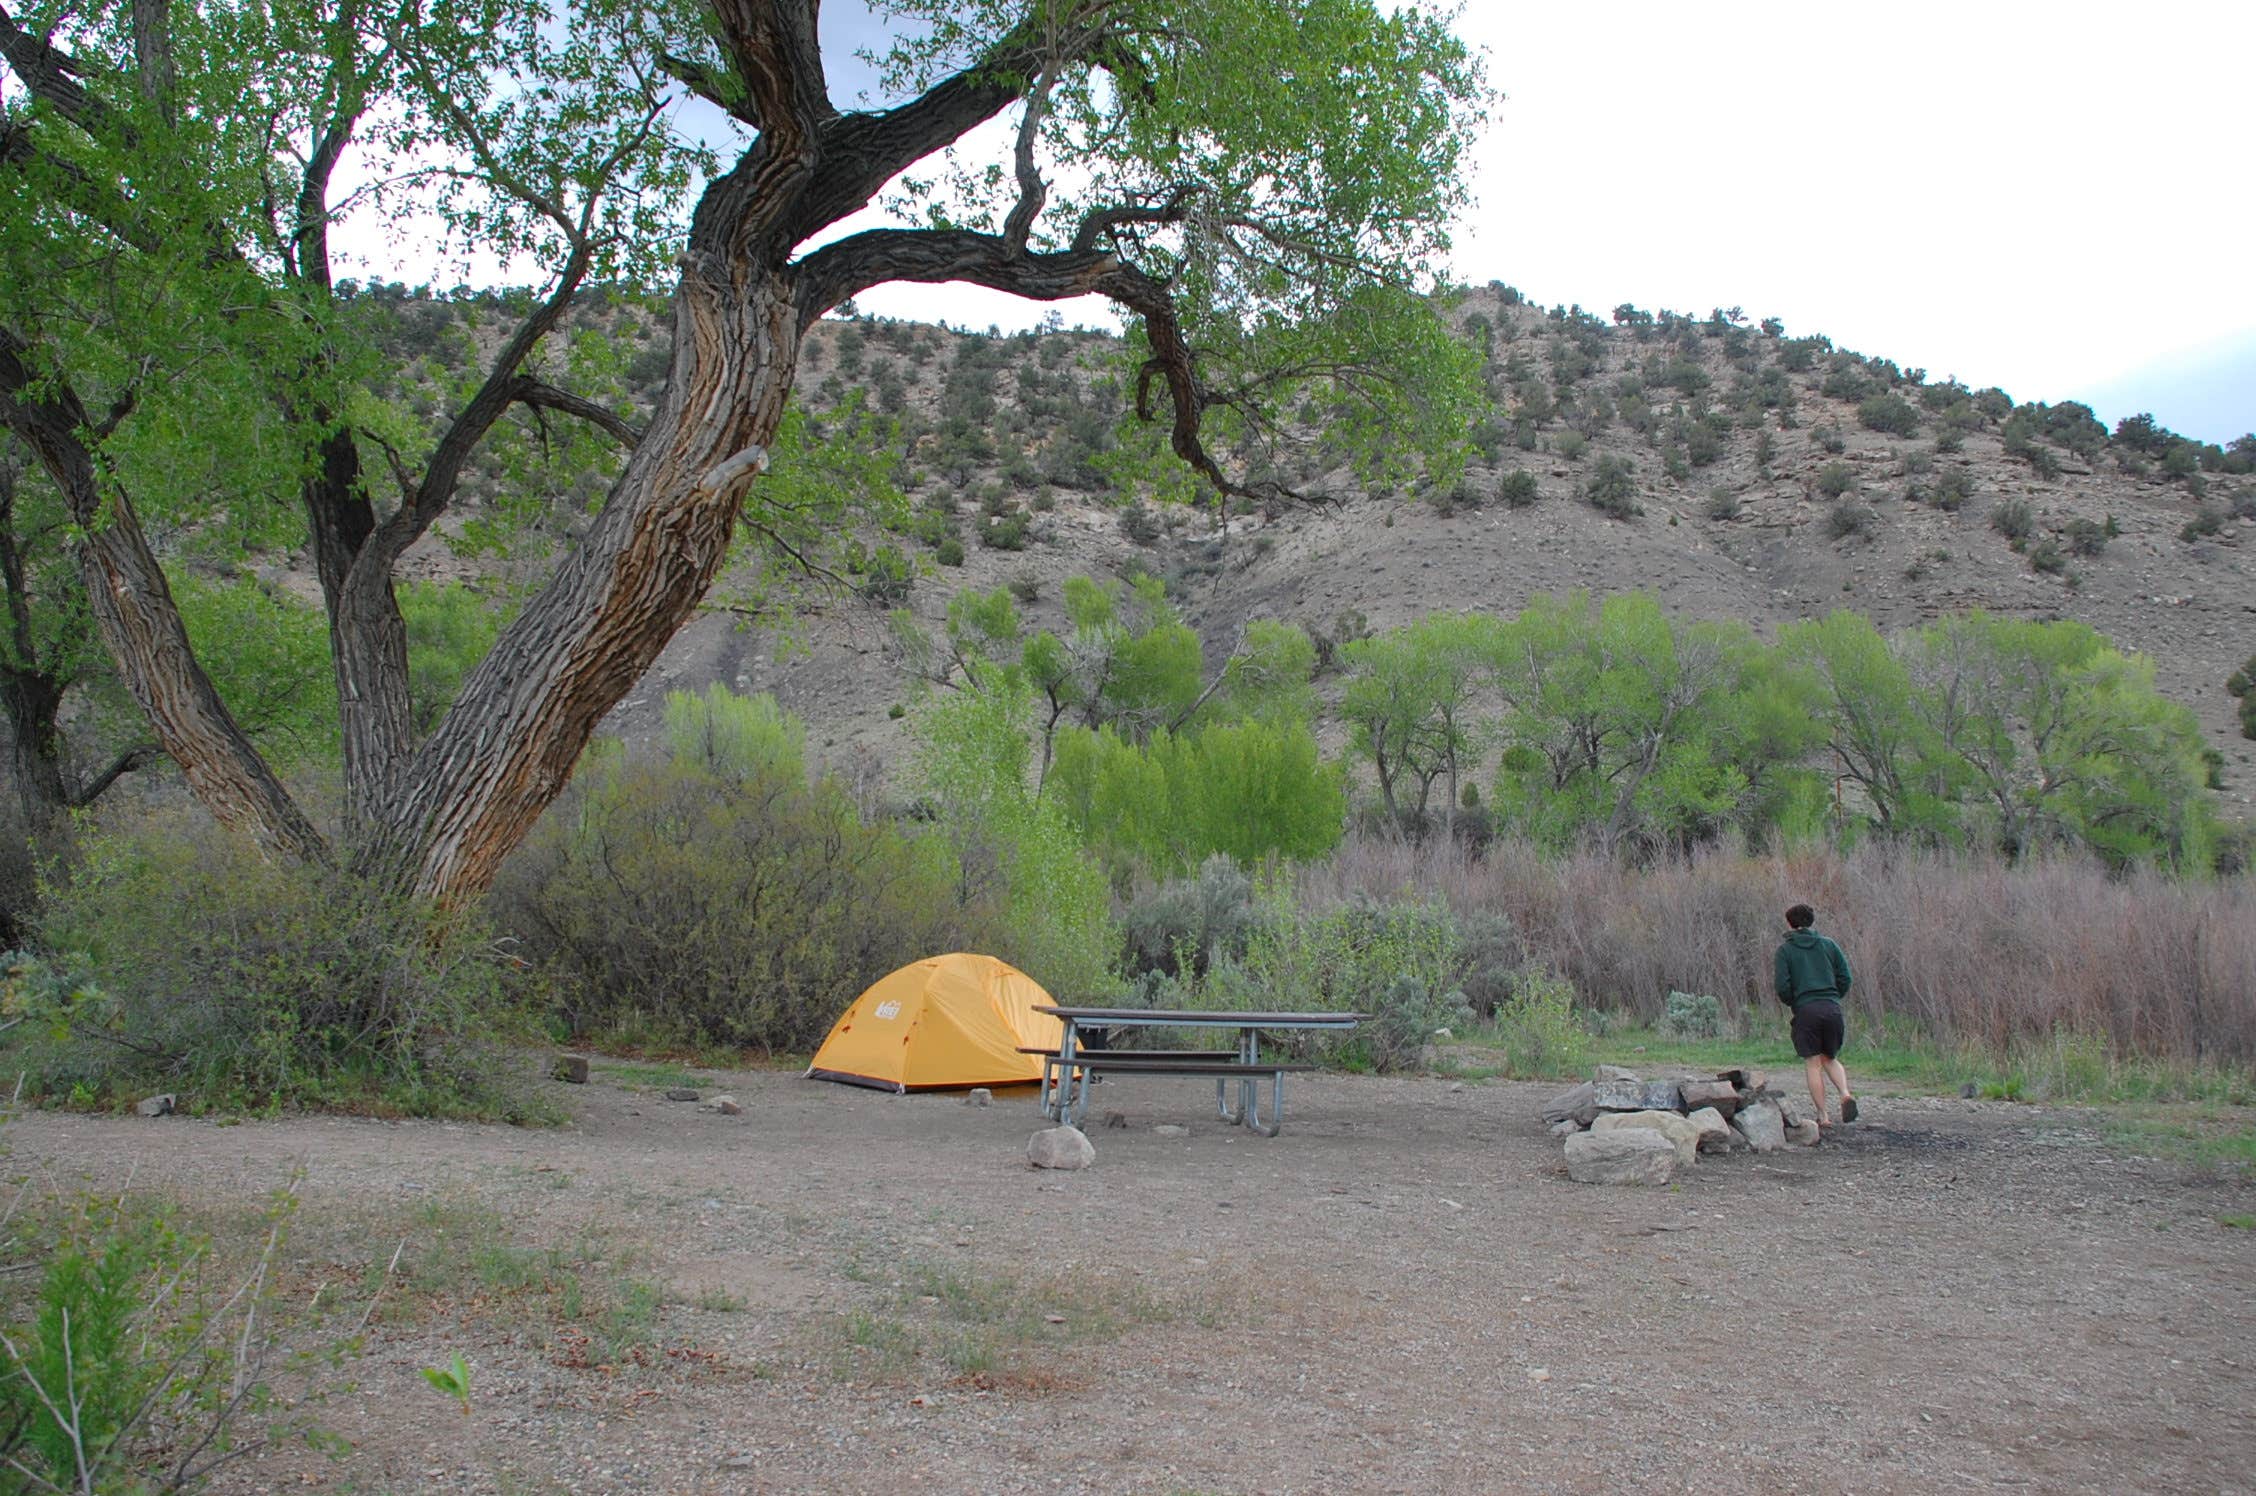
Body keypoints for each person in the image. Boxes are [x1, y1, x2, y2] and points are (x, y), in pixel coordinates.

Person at [1774, 903, 1857, 1127]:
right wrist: (1834, 996)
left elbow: (1782, 986)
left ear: (1790, 923)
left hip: (1806, 1009)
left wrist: (1796, 1002)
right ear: (1812, 921)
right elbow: (1845, 977)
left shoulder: (1785, 950)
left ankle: (1823, 1116)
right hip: (1831, 1007)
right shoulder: (1829, 945)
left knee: (1813, 1062)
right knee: (1830, 1057)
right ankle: (1845, 1094)